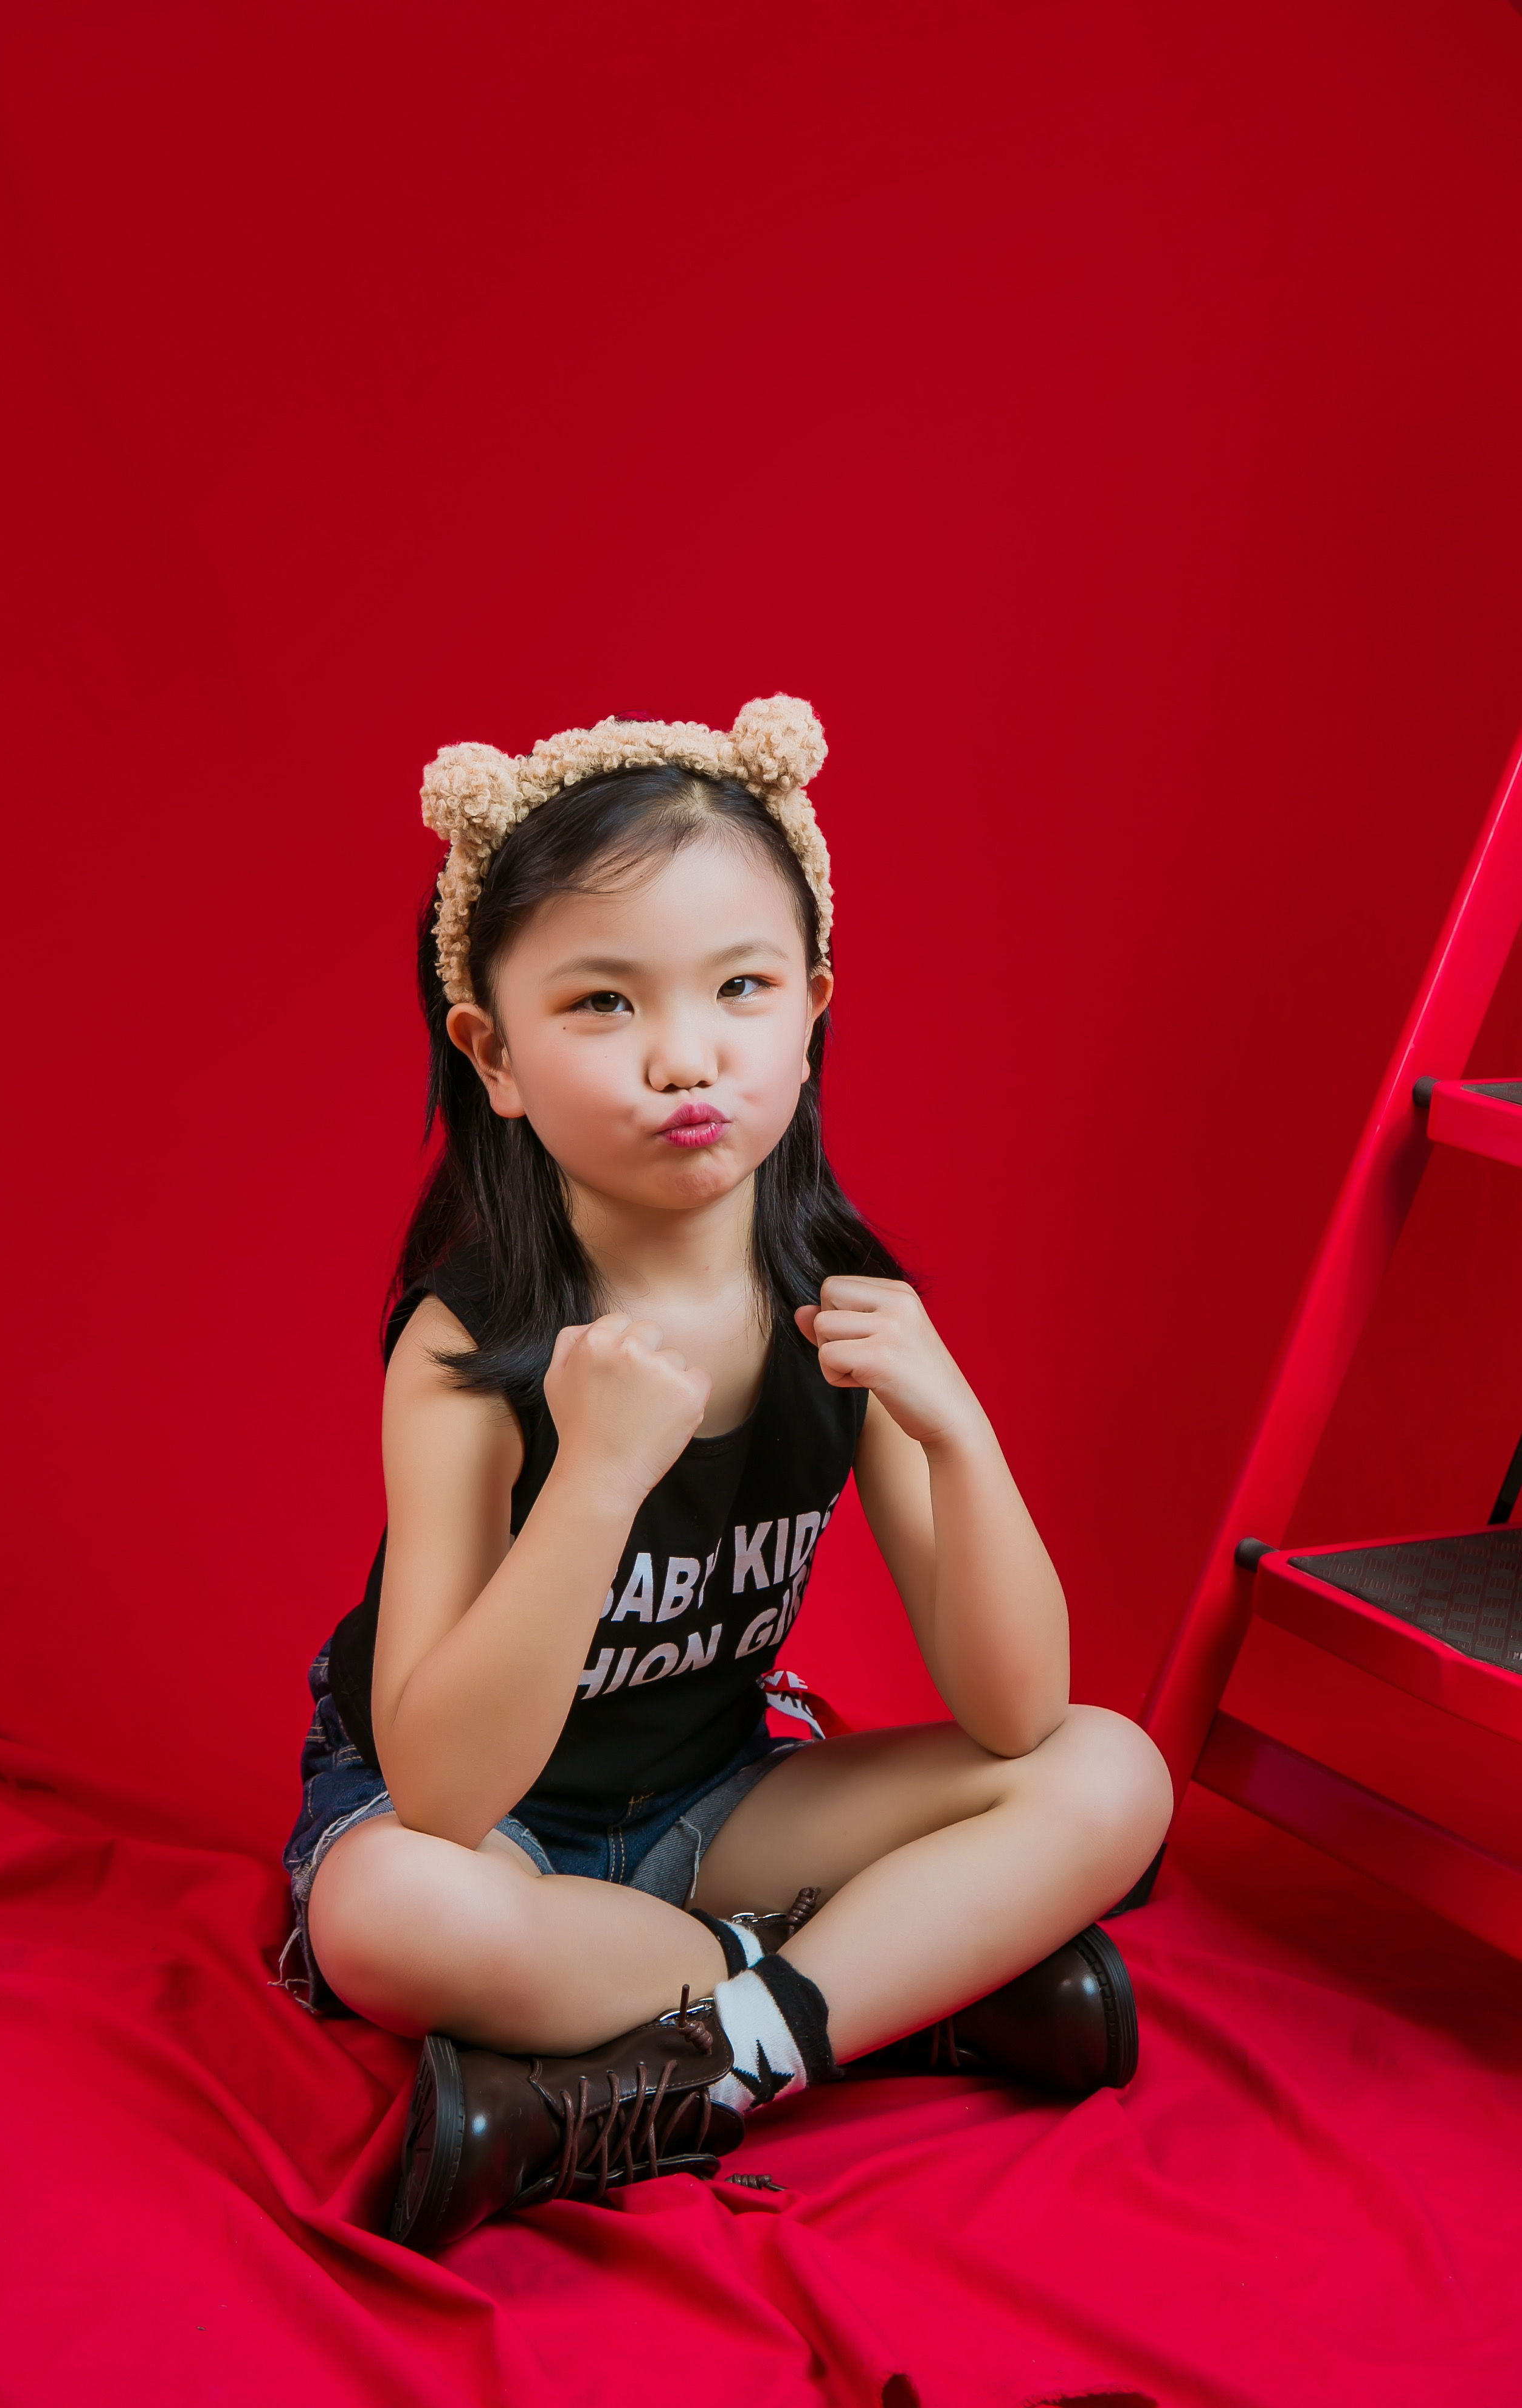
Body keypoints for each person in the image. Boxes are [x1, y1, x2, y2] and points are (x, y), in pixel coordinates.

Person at [282, 697, 1173, 2252]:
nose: (685, 1056)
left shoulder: (840, 1305)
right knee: (388, 1917)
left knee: (1112, 1774)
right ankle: (900, 1995)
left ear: (812, 1009)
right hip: (493, 1839)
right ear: (493, 1055)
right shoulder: (468, 1343)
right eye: (602, 1003)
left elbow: (1020, 1713)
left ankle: (706, 2061)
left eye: (741, 987)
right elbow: (441, 1793)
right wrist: (595, 1481)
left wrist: (961, 1432)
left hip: (715, 1806)